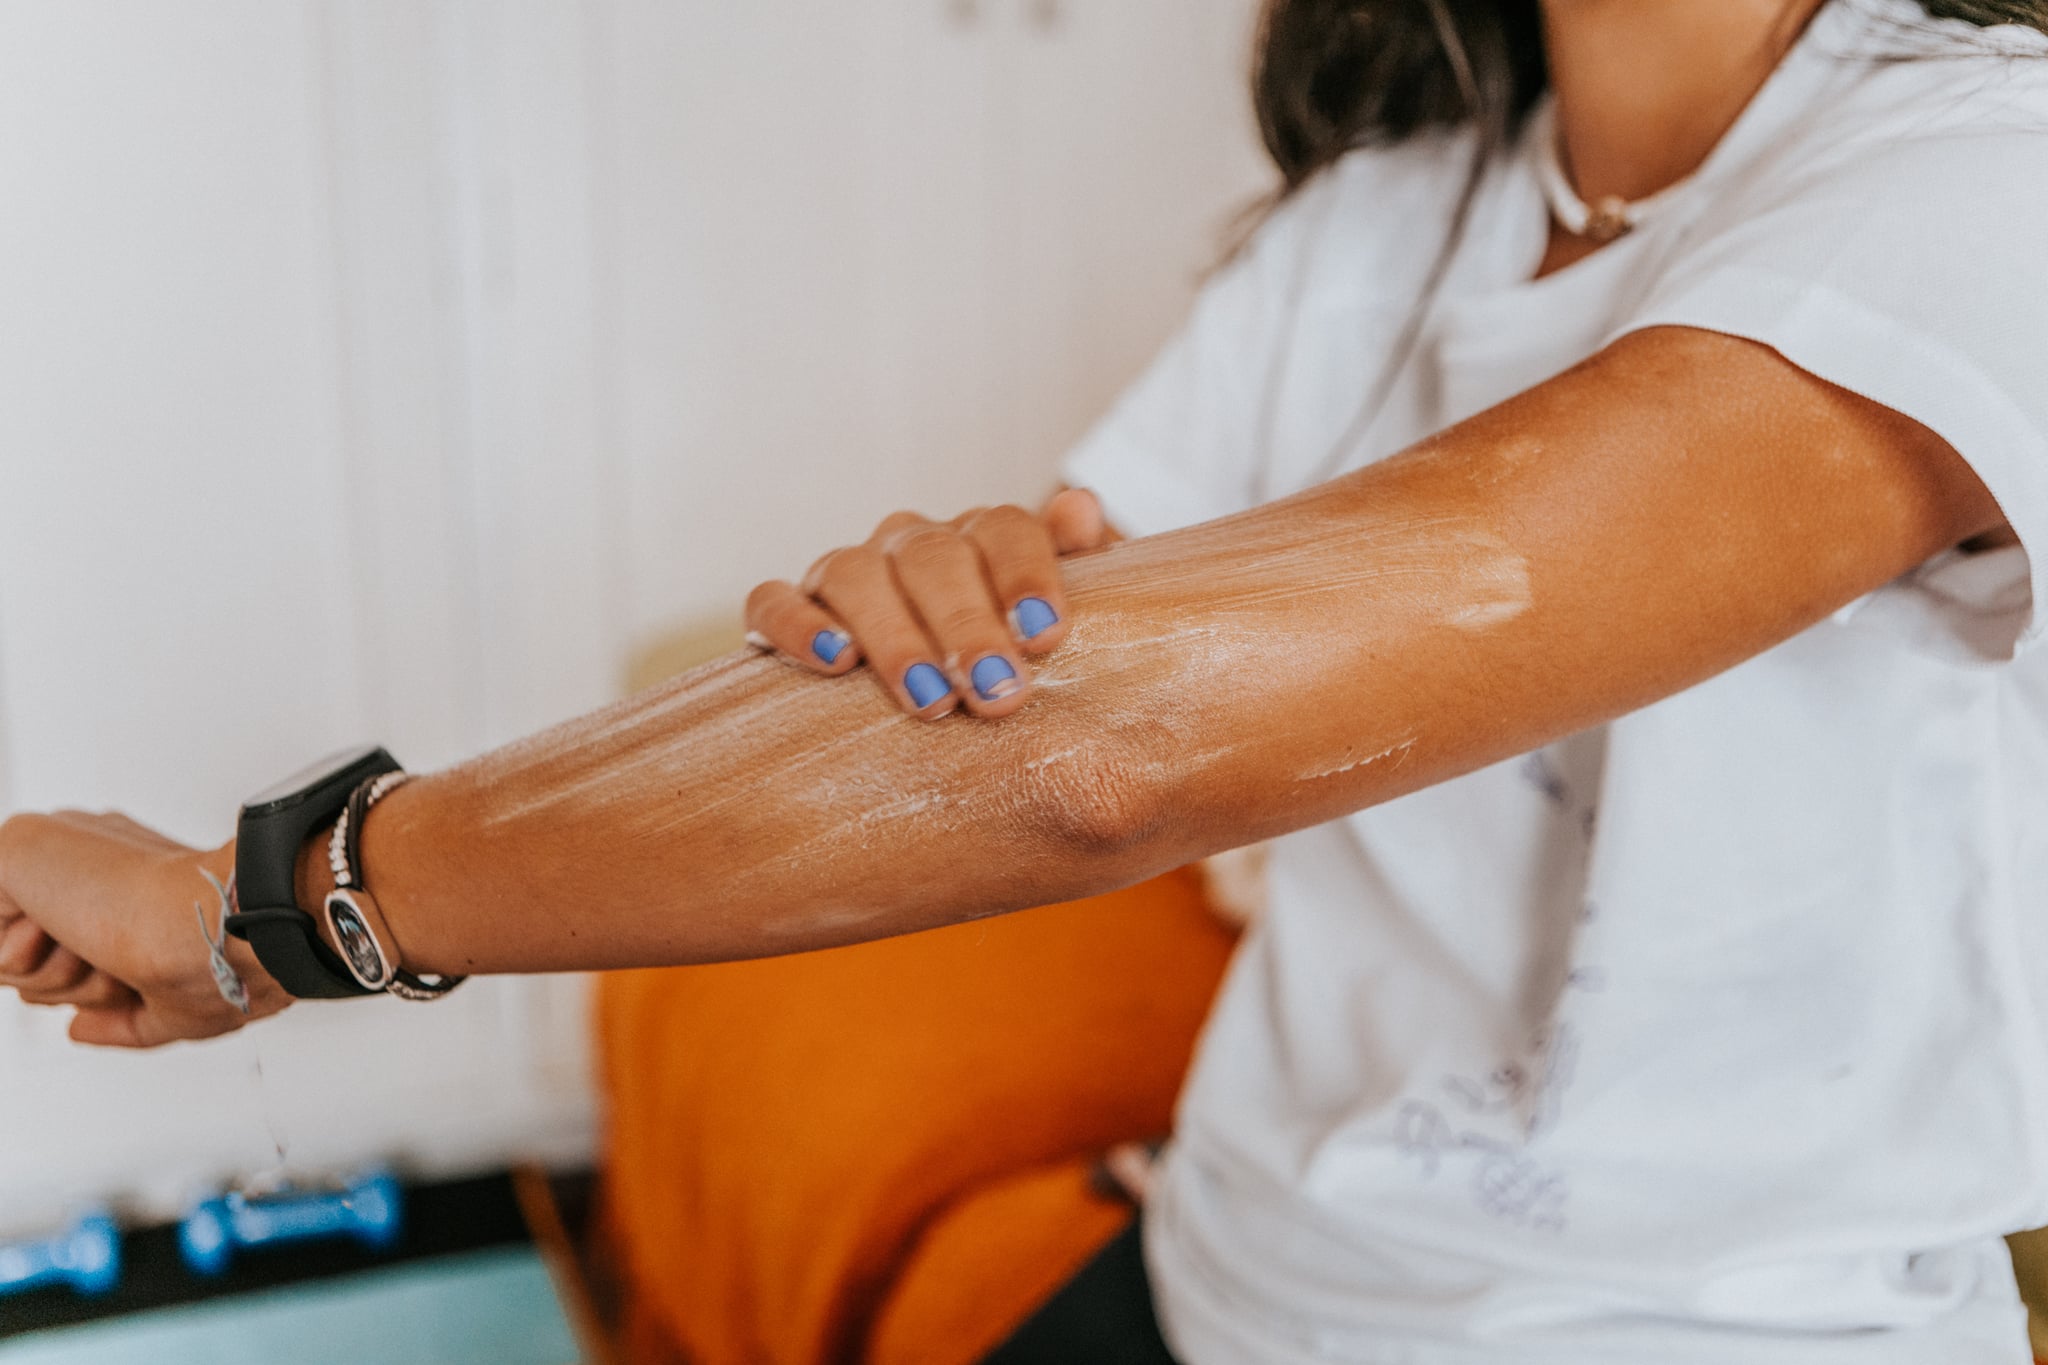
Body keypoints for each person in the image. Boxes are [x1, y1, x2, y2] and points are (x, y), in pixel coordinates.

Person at [4, 0, 2048, 1358]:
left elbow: (1094, 754)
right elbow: (1003, 677)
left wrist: (265, 903)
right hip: (1226, 1271)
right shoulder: (1382, 215)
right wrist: (942, 600)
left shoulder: (1988, 178)